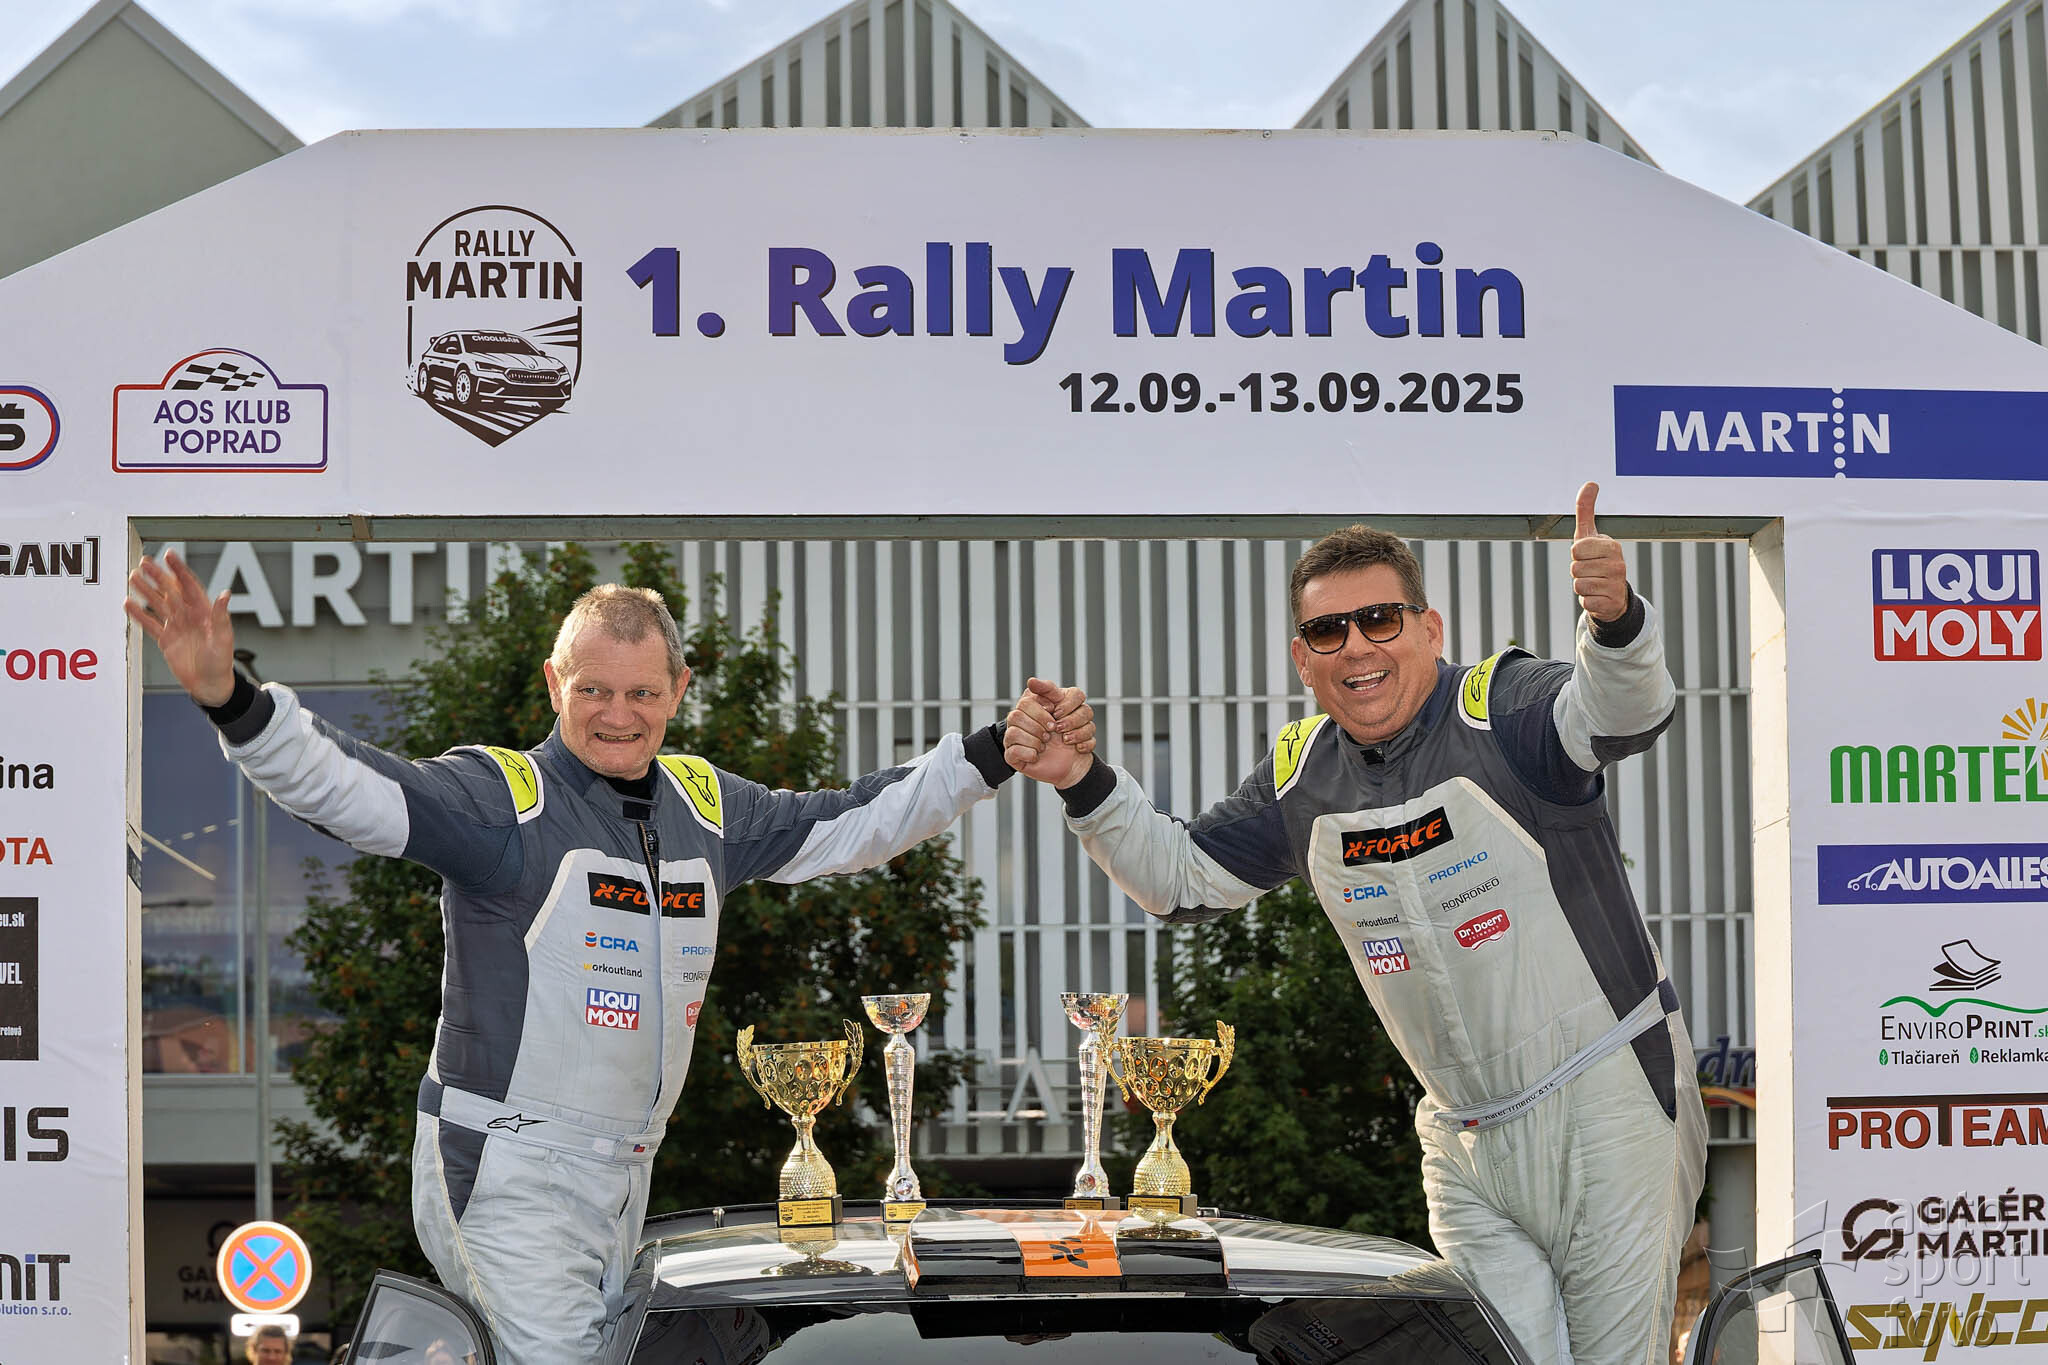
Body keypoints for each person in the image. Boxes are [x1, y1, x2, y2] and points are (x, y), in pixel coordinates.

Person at [127, 551, 1090, 1365]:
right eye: (592, 689)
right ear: (556, 685)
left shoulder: (707, 806)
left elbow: (853, 822)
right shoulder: (505, 799)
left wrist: (988, 754)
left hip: (629, 1173)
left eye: (639, 692)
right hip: (507, 1170)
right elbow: (359, 789)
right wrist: (232, 699)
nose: (616, 713)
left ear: (679, 690)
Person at [1003, 484, 1705, 1365]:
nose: (1358, 647)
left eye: (1380, 619)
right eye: (1329, 631)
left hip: (1606, 1099)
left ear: (1430, 628)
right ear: (1303, 659)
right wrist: (1081, 779)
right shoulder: (1301, 776)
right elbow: (1178, 880)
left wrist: (1615, 621)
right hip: (1464, 1136)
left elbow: (1623, 711)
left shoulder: (1502, 706)